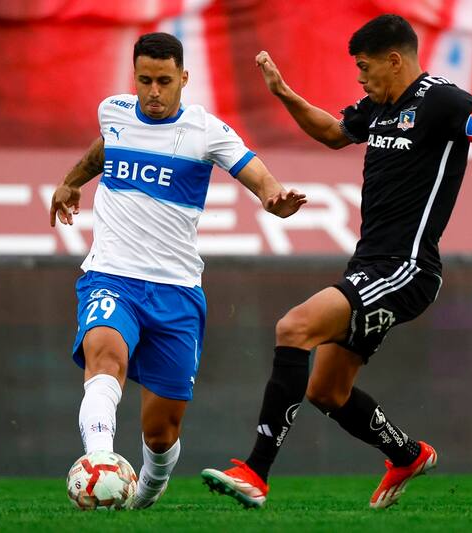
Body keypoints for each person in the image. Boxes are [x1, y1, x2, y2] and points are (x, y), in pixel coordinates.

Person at [201, 14, 472, 509]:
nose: (359, 78)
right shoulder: (380, 106)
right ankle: (407, 454)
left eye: (365, 67)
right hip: (370, 264)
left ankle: (255, 472)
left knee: (293, 327)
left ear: (394, 60)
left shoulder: (444, 101)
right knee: (327, 391)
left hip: (407, 268)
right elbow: (333, 132)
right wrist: (284, 93)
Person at [49, 32, 306, 510]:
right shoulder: (114, 112)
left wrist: (273, 196)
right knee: (104, 356)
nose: (153, 91)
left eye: (164, 81)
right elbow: (104, 150)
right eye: (144, 80)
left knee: (161, 432)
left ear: (184, 78)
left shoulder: (206, 131)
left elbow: (252, 170)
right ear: (134, 77)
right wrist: (70, 181)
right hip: (112, 276)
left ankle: (149, 484)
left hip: (177, 291)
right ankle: (100, 460)